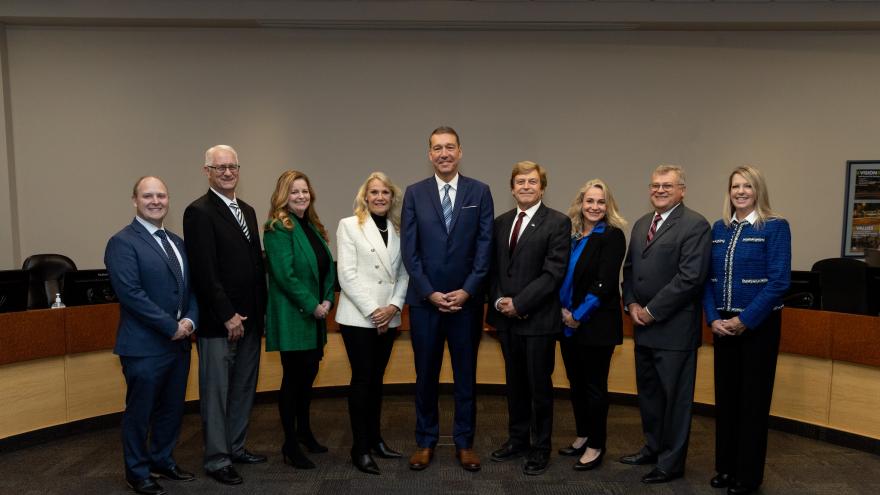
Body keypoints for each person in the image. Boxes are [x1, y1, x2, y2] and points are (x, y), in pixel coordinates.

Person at [401, 126, 494, 472]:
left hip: (466, 304)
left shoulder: (480, 192)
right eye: (437, 148)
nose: (444, 153)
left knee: (465, 375)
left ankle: (464, 442)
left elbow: (485, 248)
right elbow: (410, 251)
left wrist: (467, 290)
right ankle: (425, 441)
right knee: (425, 375)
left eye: (450, 147)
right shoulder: (414, 193)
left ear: (460, 152)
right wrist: (430, 292)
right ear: (429, 154)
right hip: (426, 304)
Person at [105, 176, 198, 495]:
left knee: (172, 408)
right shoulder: (122, 242)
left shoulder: (177, 242)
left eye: (161, 195)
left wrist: (189, 321)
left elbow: (191, 290)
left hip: (180, 343)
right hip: (144, 346)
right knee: (140, 411)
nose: (155, 201)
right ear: (135, 200)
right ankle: (137, 471)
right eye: (148, 196)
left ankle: (161, 458)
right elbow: (131, 294)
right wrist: (170, 326)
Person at [620, 164, 711, 484]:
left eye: (667, 186)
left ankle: (671, 463)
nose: (659, 190)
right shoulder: (642, 223)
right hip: (642, 327)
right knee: (649, 395)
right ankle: (653, 446)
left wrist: (651, 310)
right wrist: (631, 303)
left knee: (675, 400)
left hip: (673, 330)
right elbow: (630, 270)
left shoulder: (695, 225)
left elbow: (690, 278)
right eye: (655, 185)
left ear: (682, 190)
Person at [703, 166, 791, 495]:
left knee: (752, 405)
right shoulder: (719, 228)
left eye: (747, 186)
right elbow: (707, 280)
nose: (740, 191)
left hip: (758, 327)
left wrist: (744, 320)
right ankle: (725, 468)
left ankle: (748, 476)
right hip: (722, 326)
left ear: (758, 191)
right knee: (726, 402)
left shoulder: (775, 227)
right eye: (735, 186)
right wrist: (713, 319)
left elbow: (779, 282)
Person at [183, 145, 268, 485]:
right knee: (217, 392)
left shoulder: (246, 210)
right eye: (220, 168)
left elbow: (253, 265)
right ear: (207, 172)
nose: (228, 172)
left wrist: (257, 316)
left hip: (251, 319)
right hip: (220, 323)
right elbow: (205, 272)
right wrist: (227, 314)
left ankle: (235, 446)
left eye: (232, 166)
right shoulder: (198, 212)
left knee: (244, 387)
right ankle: (217, 459)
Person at [486, 161, 570, 476]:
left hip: (537, 321)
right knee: (515, 385)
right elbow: (493, 270)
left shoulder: (558, 223)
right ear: (512, 187)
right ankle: (517, 440)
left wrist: (519, 303)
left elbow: (553, 274)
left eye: (532, 182)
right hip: (506, 321)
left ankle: (540, 447)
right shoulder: (500, 223)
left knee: (539, 388)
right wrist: (497, 301)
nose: (525, 186)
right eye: (520, 181)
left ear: (542, 187)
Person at [335, 172, 409, 475]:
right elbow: (347, 275)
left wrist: (393, 307)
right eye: (374, 192)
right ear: (365, 196)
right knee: (363, 381)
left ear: (392, 198)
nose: (380, 197)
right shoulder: (349, 225)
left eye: (385, 193)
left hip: (389, 318)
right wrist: (374, 311)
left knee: (377, 381)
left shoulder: (398, 229)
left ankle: (376, 440)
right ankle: (360, 448)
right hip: (358, 318)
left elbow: (404, 273)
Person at [263, 170, 336, 470]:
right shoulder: (277, 228)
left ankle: (304, 433)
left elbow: (326, 269)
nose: (301, 196)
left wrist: (329, 298)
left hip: (316, 314)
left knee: (308, 378)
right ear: (283, 195)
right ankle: (290, 444)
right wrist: (313, 306)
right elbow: (284, 275)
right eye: (294, 192)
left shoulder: (313, 226)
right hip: (295, 316)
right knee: (293, 381)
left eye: (305, 191)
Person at [557, 179, 627, 472]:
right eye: (590, 201)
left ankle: (596, 444)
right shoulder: (572, 235)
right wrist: (562, 310)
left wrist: (578, 314)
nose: (594, 207)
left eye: (601, 202)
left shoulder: (612, 236)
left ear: (608, 206)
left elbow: (604, 283)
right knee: (576, 384)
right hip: (566, 321)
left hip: (595, 324)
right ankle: (583, 434)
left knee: (595, 387)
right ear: (581, 204)